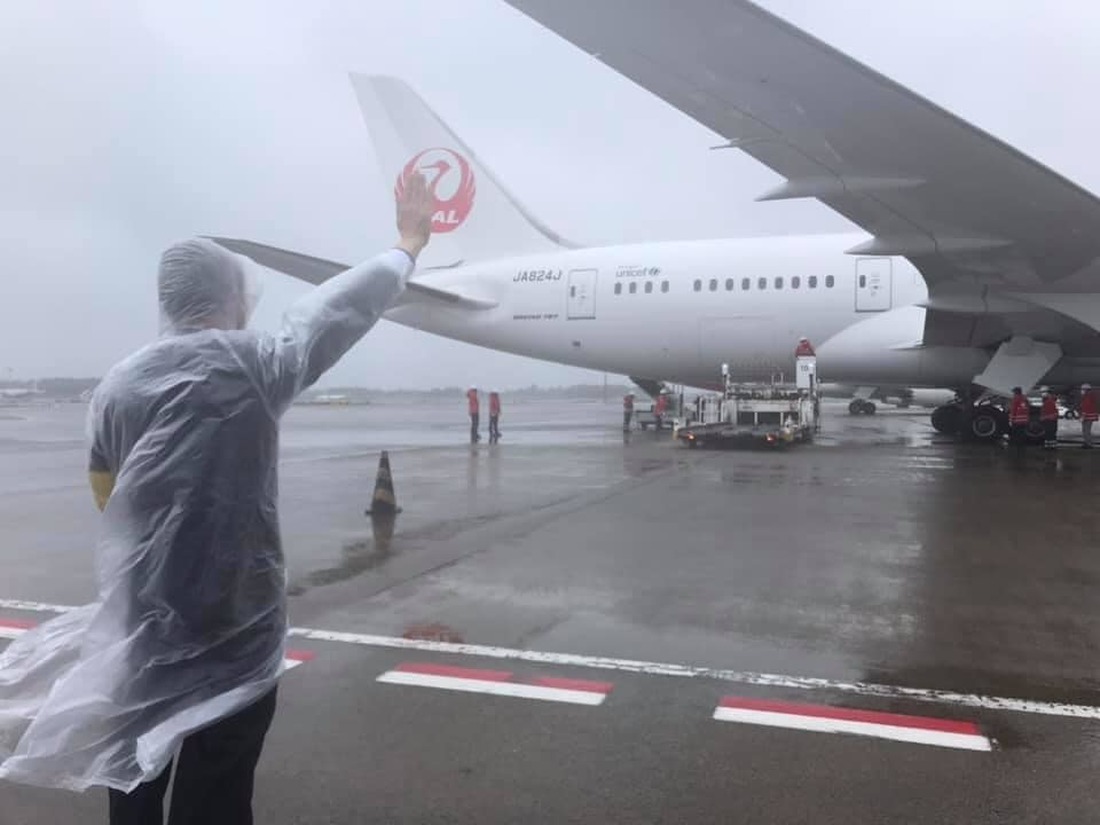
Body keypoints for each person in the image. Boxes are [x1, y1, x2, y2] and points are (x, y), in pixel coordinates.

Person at [0, 175, 436, 821]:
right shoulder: (257, 364)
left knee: (134, 771)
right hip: (236, 619)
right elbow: (337, 312)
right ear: (231, 296)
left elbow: (105, 491)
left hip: (145, 617)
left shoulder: (118, 386)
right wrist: (407, 244)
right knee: (219, 787)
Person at [1008, 386, 1030, 453]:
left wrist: (1011, 420)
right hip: (1024, 420)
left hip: (1017, 421)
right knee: (1022, 433)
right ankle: (1022, 447)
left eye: (1014, 392)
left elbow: (1013, 410)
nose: (1013, 394)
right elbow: (1027, 409)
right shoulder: (1025, 399)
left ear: (1016, 392)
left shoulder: (1016, 399)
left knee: (1016, 434)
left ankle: (1016, 448)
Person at [1080, 383, 1097, 449]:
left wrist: (1083, 416)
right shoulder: (1088, 397)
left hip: (1087, 417)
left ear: (1086, 390)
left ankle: (1088, 444)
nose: (1082, 391)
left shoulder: (1087, 398)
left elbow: (1086, 408)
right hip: (1088, 417)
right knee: (1085, 431)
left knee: (1086, 431)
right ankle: (1086, 443)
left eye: (1083, 389)